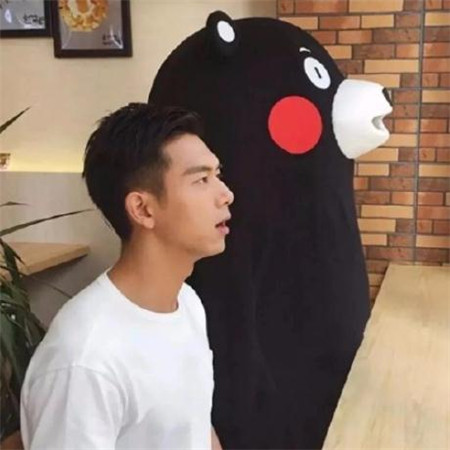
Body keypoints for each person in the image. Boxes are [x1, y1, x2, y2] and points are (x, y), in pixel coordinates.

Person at [20, 103, 234, 449]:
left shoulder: (186, 303)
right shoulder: (85, 359)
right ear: (142, 209)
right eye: (201, 180)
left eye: (217, 175)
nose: (226, 194)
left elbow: (195, 430)